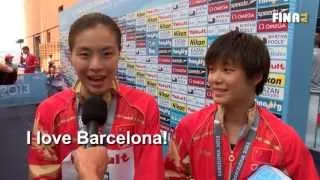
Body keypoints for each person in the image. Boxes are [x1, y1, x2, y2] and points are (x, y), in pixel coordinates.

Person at [165, 31, 319, 179]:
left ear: (256, 76)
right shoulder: (190, 127)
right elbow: (171, 175)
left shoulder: (285, 140)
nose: (214, 79)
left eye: (227, 70)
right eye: (212, 70)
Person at [28, 12, 164, 180]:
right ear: (70, 56)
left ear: (119, 53)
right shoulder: (50, 111)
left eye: (107, 54)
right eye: (84, 54)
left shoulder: (143, 107)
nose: (96, 65)